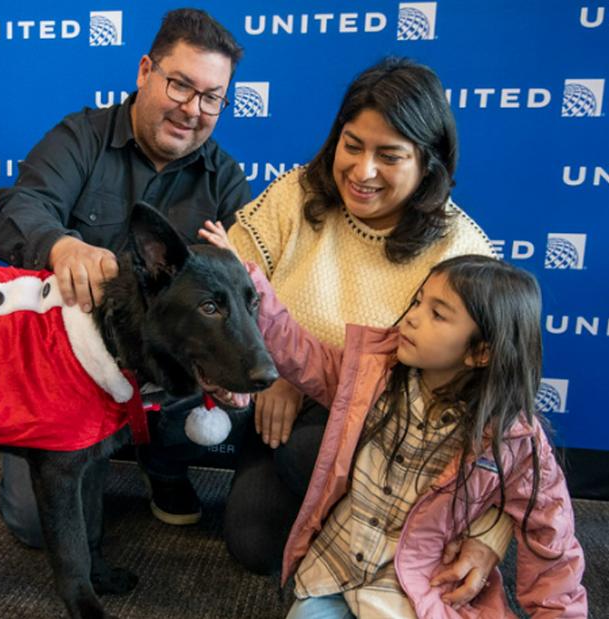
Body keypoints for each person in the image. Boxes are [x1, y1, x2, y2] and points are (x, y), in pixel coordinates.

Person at [218, 57, 509, 600]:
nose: (363, 170)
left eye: (390, 155)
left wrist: (492, 532)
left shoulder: (462, 250)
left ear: (428, 162)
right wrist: (274, 368)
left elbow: (506, 413)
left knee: (306, 452)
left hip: (397, 438)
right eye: (353, 145)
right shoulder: (293, 195)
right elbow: (229, 285)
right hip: (282, 409)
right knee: (253, 543)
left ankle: (399, 542)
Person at [205, 229, 588, 616]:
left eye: (437, 314)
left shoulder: (515, 440)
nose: (412, 318)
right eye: (418, 302)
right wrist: (246, 282)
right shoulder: (371, 375)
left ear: (481, 352)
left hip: (413, 588)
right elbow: (299, 352)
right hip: (334, 570)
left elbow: (552, 544)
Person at [0, 8, 252, 547]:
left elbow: (249, 287)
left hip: (163, 370)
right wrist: (61, 245)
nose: (192, 109)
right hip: (65, 367)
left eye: (211, 98)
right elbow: (19, 207)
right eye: (180, 85)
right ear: (145, 71)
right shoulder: (78, 138)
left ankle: (167, 466)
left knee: (241, 365)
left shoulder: (224, 177)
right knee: (35, 527)